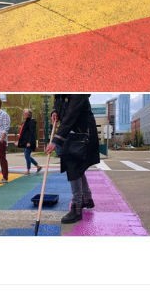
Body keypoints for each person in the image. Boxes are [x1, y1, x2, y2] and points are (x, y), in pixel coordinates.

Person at [45, 94, 100, 224]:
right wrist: (55, 111)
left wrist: (56, 140)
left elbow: (71, 114)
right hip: (72, 133)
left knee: (73, 166)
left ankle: (77, 207)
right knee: (77, 167)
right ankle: (86, 198)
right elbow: (58, 100)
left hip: (81, 133)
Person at [15, 109, 42, 175]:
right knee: (27, 156)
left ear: (28, 114)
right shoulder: (26, 122)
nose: (24, 114)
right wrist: (19, 142)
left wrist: (29, 142)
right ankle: (38, 166)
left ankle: (28, 170)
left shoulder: (31, 122)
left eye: (25, 113)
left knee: (27, 156)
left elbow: (31, 133)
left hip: (29, 142)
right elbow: (23, 133)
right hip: (25, 142)